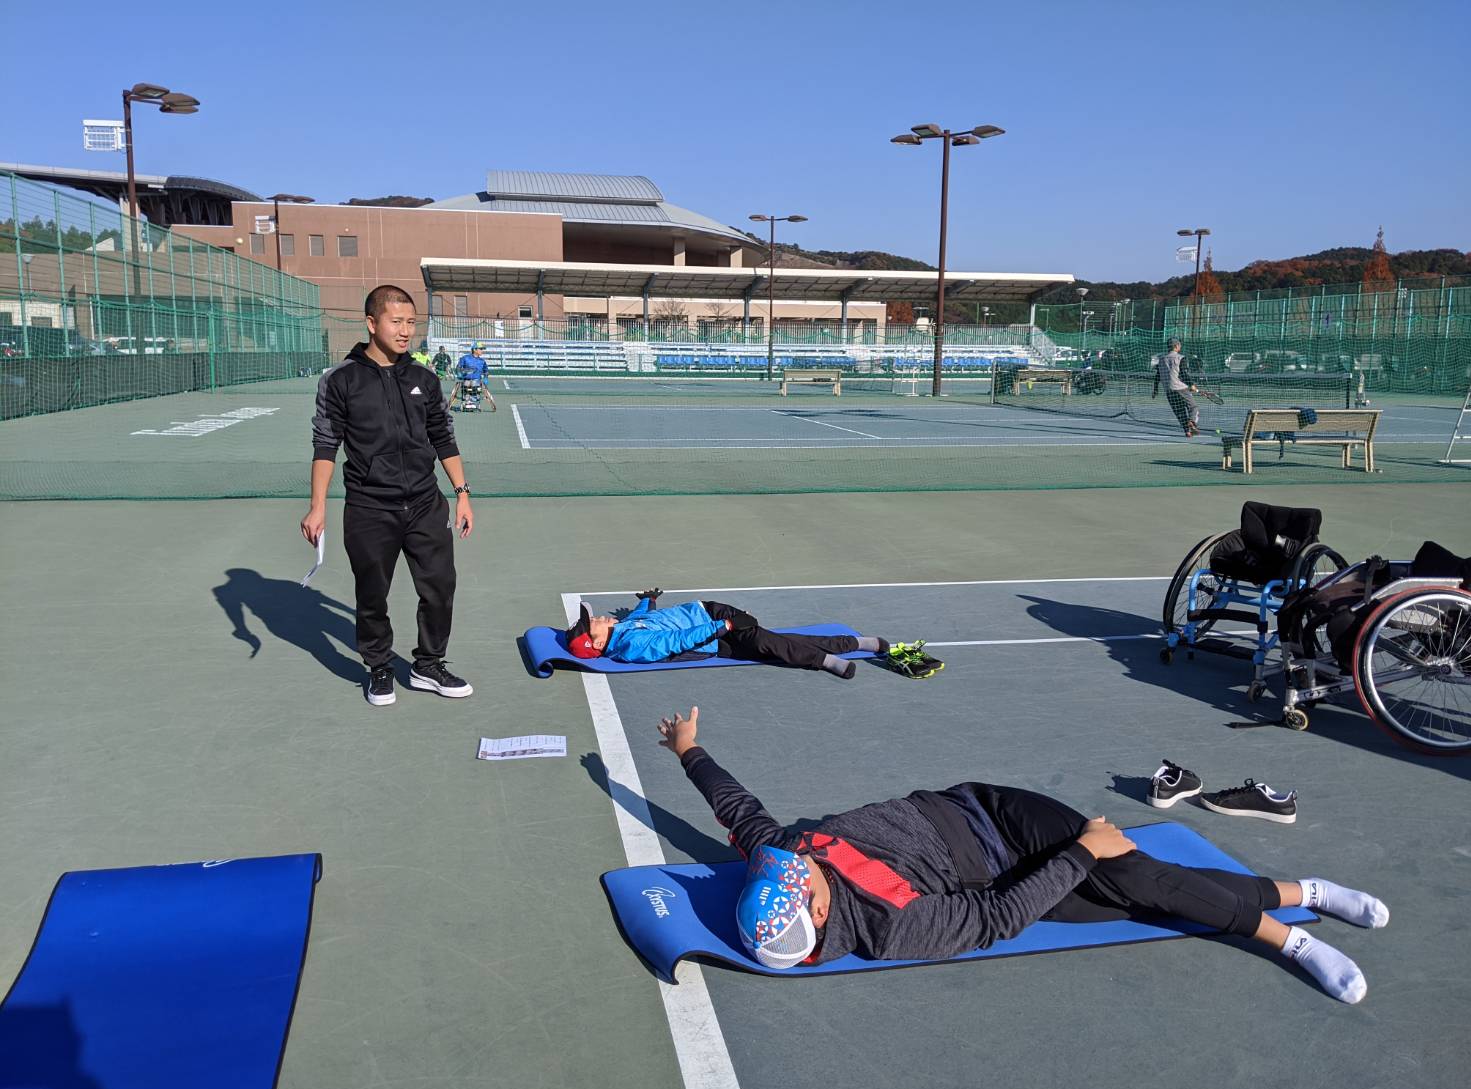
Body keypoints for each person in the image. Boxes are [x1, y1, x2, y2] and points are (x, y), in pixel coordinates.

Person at [655, 707, 1387, 1004]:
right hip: (1005, 876)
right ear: (816, 911)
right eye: (802, 874)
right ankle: (1307, 892)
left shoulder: (777, 858)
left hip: (995, 813)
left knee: (1140, 878)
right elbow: (997, 919)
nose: (793, 857)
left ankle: (1288, 940)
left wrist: (688, 749)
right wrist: (1084, 851)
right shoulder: (888, 929)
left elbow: (738, 810)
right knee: (1148, 893)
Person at [300, 284, 476, 708]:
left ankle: (428, 664)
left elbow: (443, 436)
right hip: (369, 507)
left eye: (411, 322)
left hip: (424, 503)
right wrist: (317, 506)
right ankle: (379, 667)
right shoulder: (341, 379)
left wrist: (462, 493)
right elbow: (326, 443)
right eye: (396, 322)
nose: (405, 331)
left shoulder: (423, 378)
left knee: (440, 586)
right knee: (372, 593)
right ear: (371, 323)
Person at [565, 589, 888, 679]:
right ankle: (838, 653)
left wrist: (648, 600)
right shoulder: (631, 646)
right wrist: (727, 626)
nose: (595, 617)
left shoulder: (623, 629)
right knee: (770, 643)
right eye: (591, 623)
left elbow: (641, 617)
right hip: (716, 633)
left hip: (713, 615)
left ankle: (847, 647)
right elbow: (678, 641)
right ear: (597, 642)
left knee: (771, 642)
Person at [1155, 338, 1201, 436]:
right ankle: (1192, 422)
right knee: (1193, 407)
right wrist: (1191, 385)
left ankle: (1187, 431)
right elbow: (1183, 374)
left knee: (1180, 412)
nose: (1180, 346)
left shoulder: (1161, 359)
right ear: (1176, 346)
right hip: (1181, 388)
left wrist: (1155, 389)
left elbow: (1158, 375)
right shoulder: (1181, 358)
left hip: (1168, 390)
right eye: (1179, 345)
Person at [451, 343, 496, 412]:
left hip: (476, 381)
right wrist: (459, 374)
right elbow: (458, 367)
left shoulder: (482, 361)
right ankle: (467, 401)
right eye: (480, 349)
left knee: (474, 383)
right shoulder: (465, 358)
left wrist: (486, 377)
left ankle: (472, 401)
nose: (482, 351)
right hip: (466, 380)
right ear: (474, 349)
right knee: (468, 383)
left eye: (482, 349)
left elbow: (486, 371)